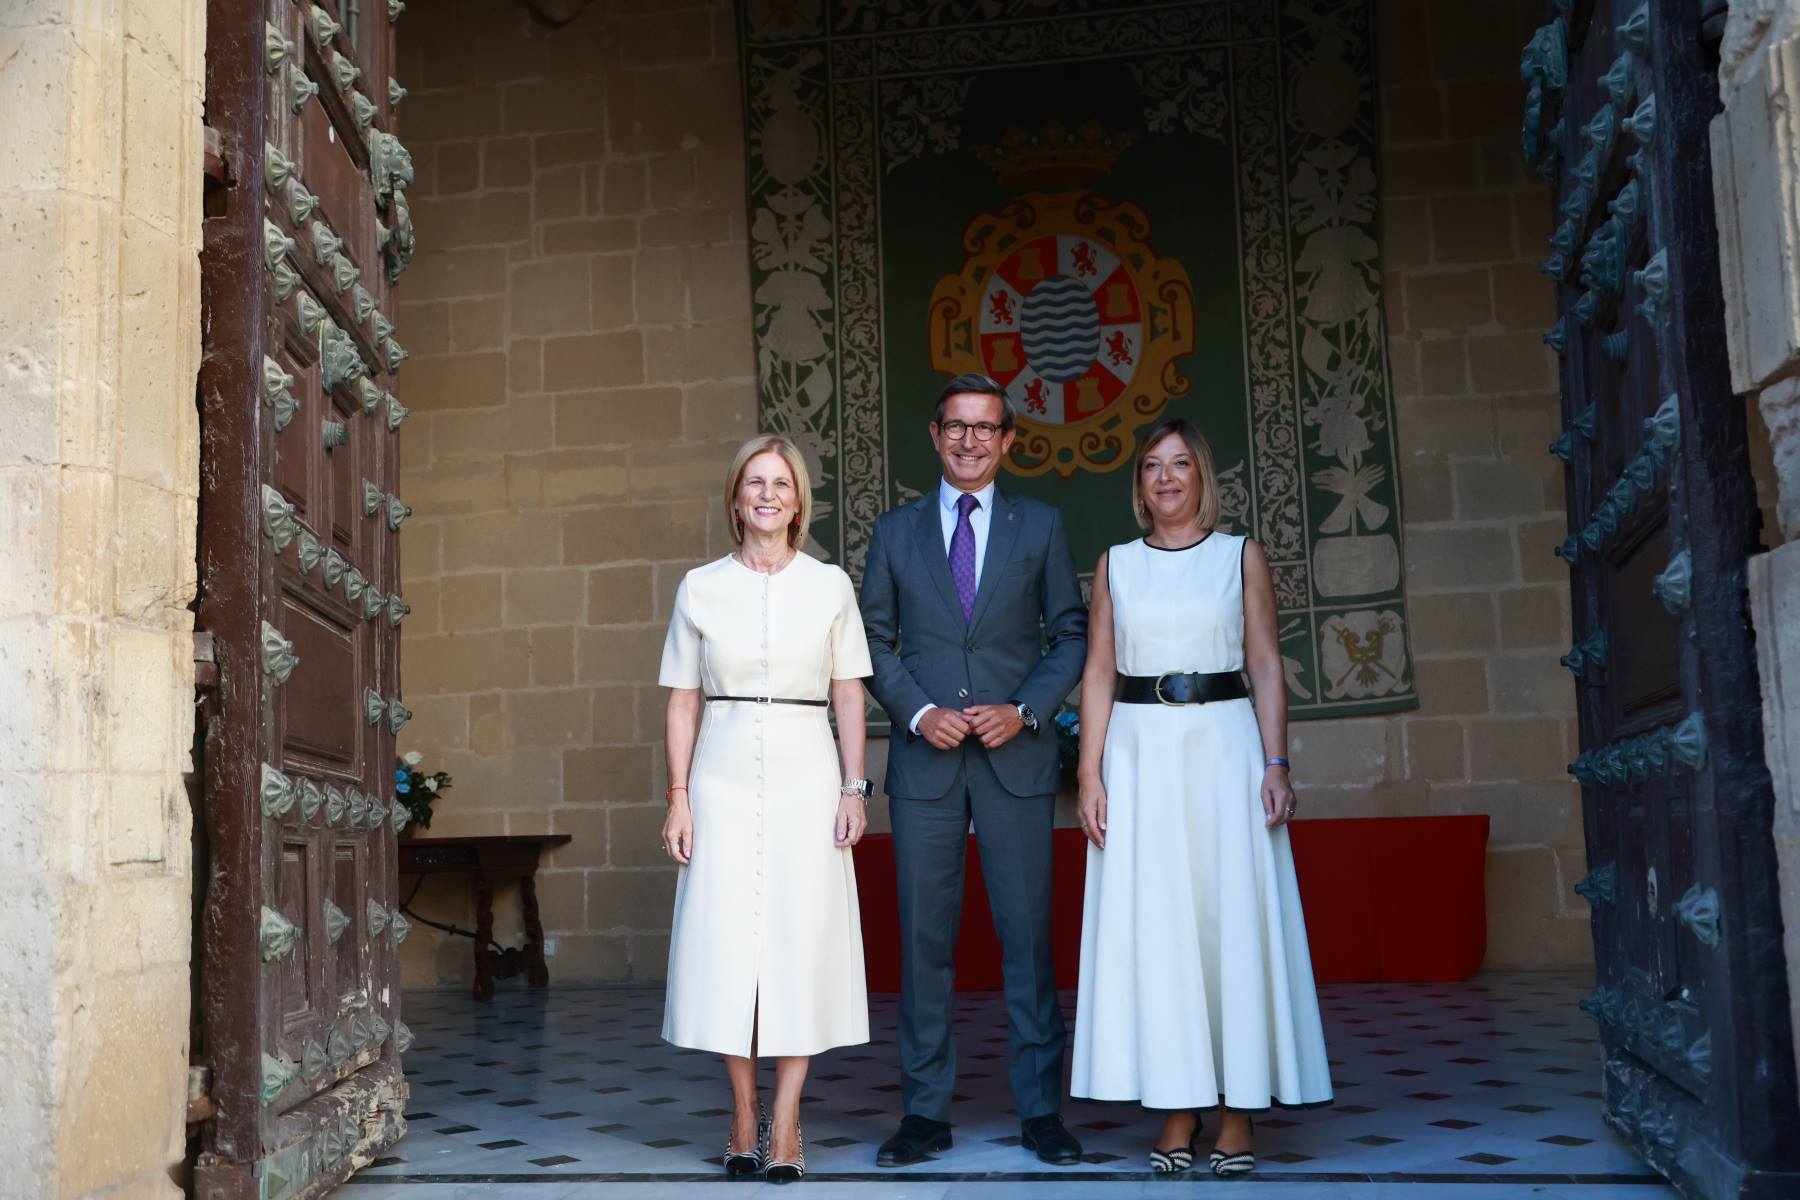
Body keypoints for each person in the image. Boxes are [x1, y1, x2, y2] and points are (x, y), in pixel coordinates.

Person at [1070, 416, 1333, 1176]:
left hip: (1223, 747)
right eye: (1152, 467)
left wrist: (1276, 762)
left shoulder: (1238, 556)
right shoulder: (1115, 563)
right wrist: (1091, 774)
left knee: (1229, 918)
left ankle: (1239, 1112)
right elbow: (1096, 672)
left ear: (1201, 476)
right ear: (1140, 486)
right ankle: (1178, 1107)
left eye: (1180, 464)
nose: (1166, 478)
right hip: (1139, 749)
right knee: (1161, 924)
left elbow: (1266, 664)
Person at [860, 373, 1089, 1167]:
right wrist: (920, 713)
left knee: (1029, 939)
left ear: (1008, 440)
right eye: (956, 427)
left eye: (985, 428)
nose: (969, 440)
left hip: (1014, 759)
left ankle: (1041, 1114)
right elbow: (872, 644)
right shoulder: (894, 533)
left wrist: (1025, 709)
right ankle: (924, 1115)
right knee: (923, 945)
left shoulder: (1042, 526)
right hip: (924, 763)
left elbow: (1071, 633)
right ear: (935, 435)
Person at [657, 434, 875, 1184]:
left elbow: (849, 692)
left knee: (798, 942)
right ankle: (743, 1113)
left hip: (807, 773)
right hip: (719, 773)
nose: (768, 494)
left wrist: (855, 785)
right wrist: (678, 797)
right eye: (755, 482)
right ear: (736, 497)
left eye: (781, 483)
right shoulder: (699, 586)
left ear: (798, 499)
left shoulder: (830, 585)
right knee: (725, 944)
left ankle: (786, 1121)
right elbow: (683, 699)